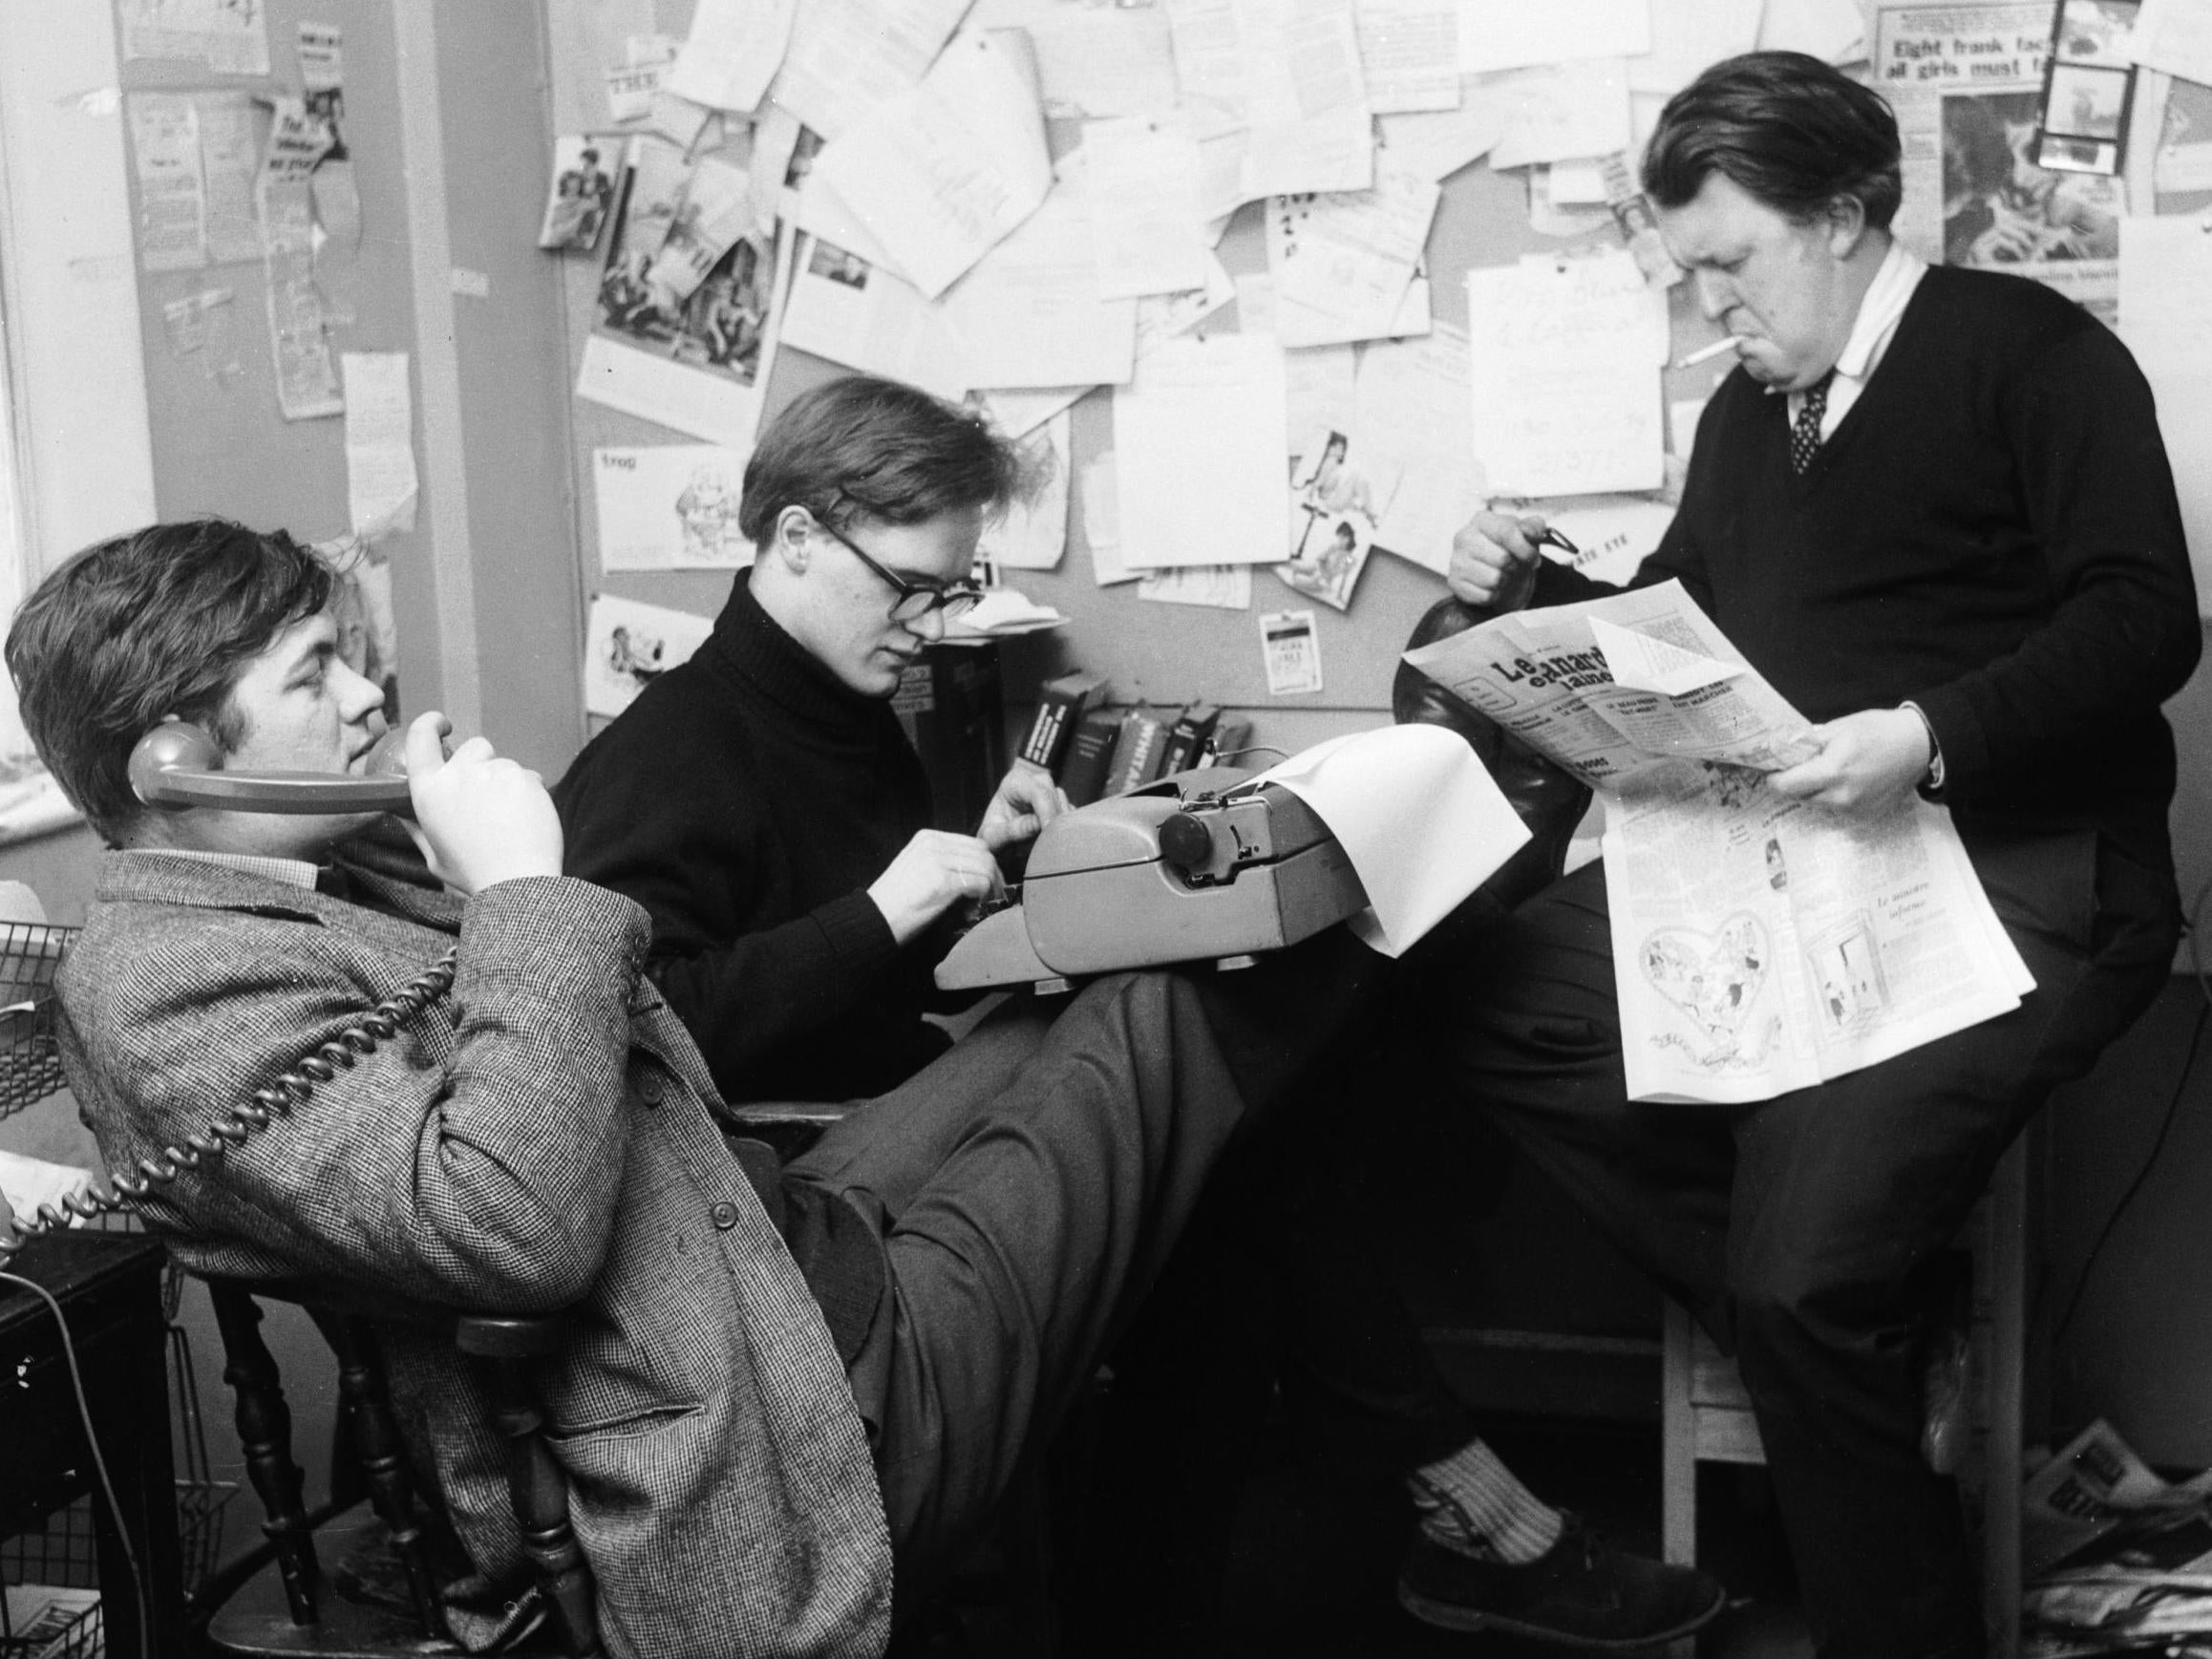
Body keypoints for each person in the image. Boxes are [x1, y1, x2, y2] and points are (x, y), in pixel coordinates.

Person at [5, 518, 1392, 1658]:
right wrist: (525, 889)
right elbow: (509, 1221)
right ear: (171, 762)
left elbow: (630, 1055)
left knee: (1095, 994)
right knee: (1191, 996)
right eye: (317, 672)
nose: (370, 691)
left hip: (760, 1239)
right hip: (785, 1417)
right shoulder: (160, 987)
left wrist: (459, 864)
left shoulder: (317, 875)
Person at [555, 374, 1726, 1651]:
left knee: (1238, 1140)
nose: (930, 624)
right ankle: (1445, 1505)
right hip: (805, 1200)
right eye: (912, 587)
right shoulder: (672, 749)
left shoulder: (842, 705)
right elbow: (634, 1038)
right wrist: (886, 913)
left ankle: (1242, 1578)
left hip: (913, 1099)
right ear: (792, 537)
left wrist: (984, 880)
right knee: (1239, 1127)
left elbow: (846, 957)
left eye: (952, 588)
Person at [1436, 52, 2196, 1659]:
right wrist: (1511, 602)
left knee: (1798, 1284)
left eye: (1732, 261)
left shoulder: (2034, 353)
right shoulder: (1746, 412)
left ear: (1846, 219)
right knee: (1458, 988)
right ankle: (1858, 1321)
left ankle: (1870, 1514)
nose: (1709, 302)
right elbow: (1670, 631)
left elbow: (2146, 619)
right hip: (1800, 869)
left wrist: (1922, 732)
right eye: (1690, 269)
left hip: (2025, 868)